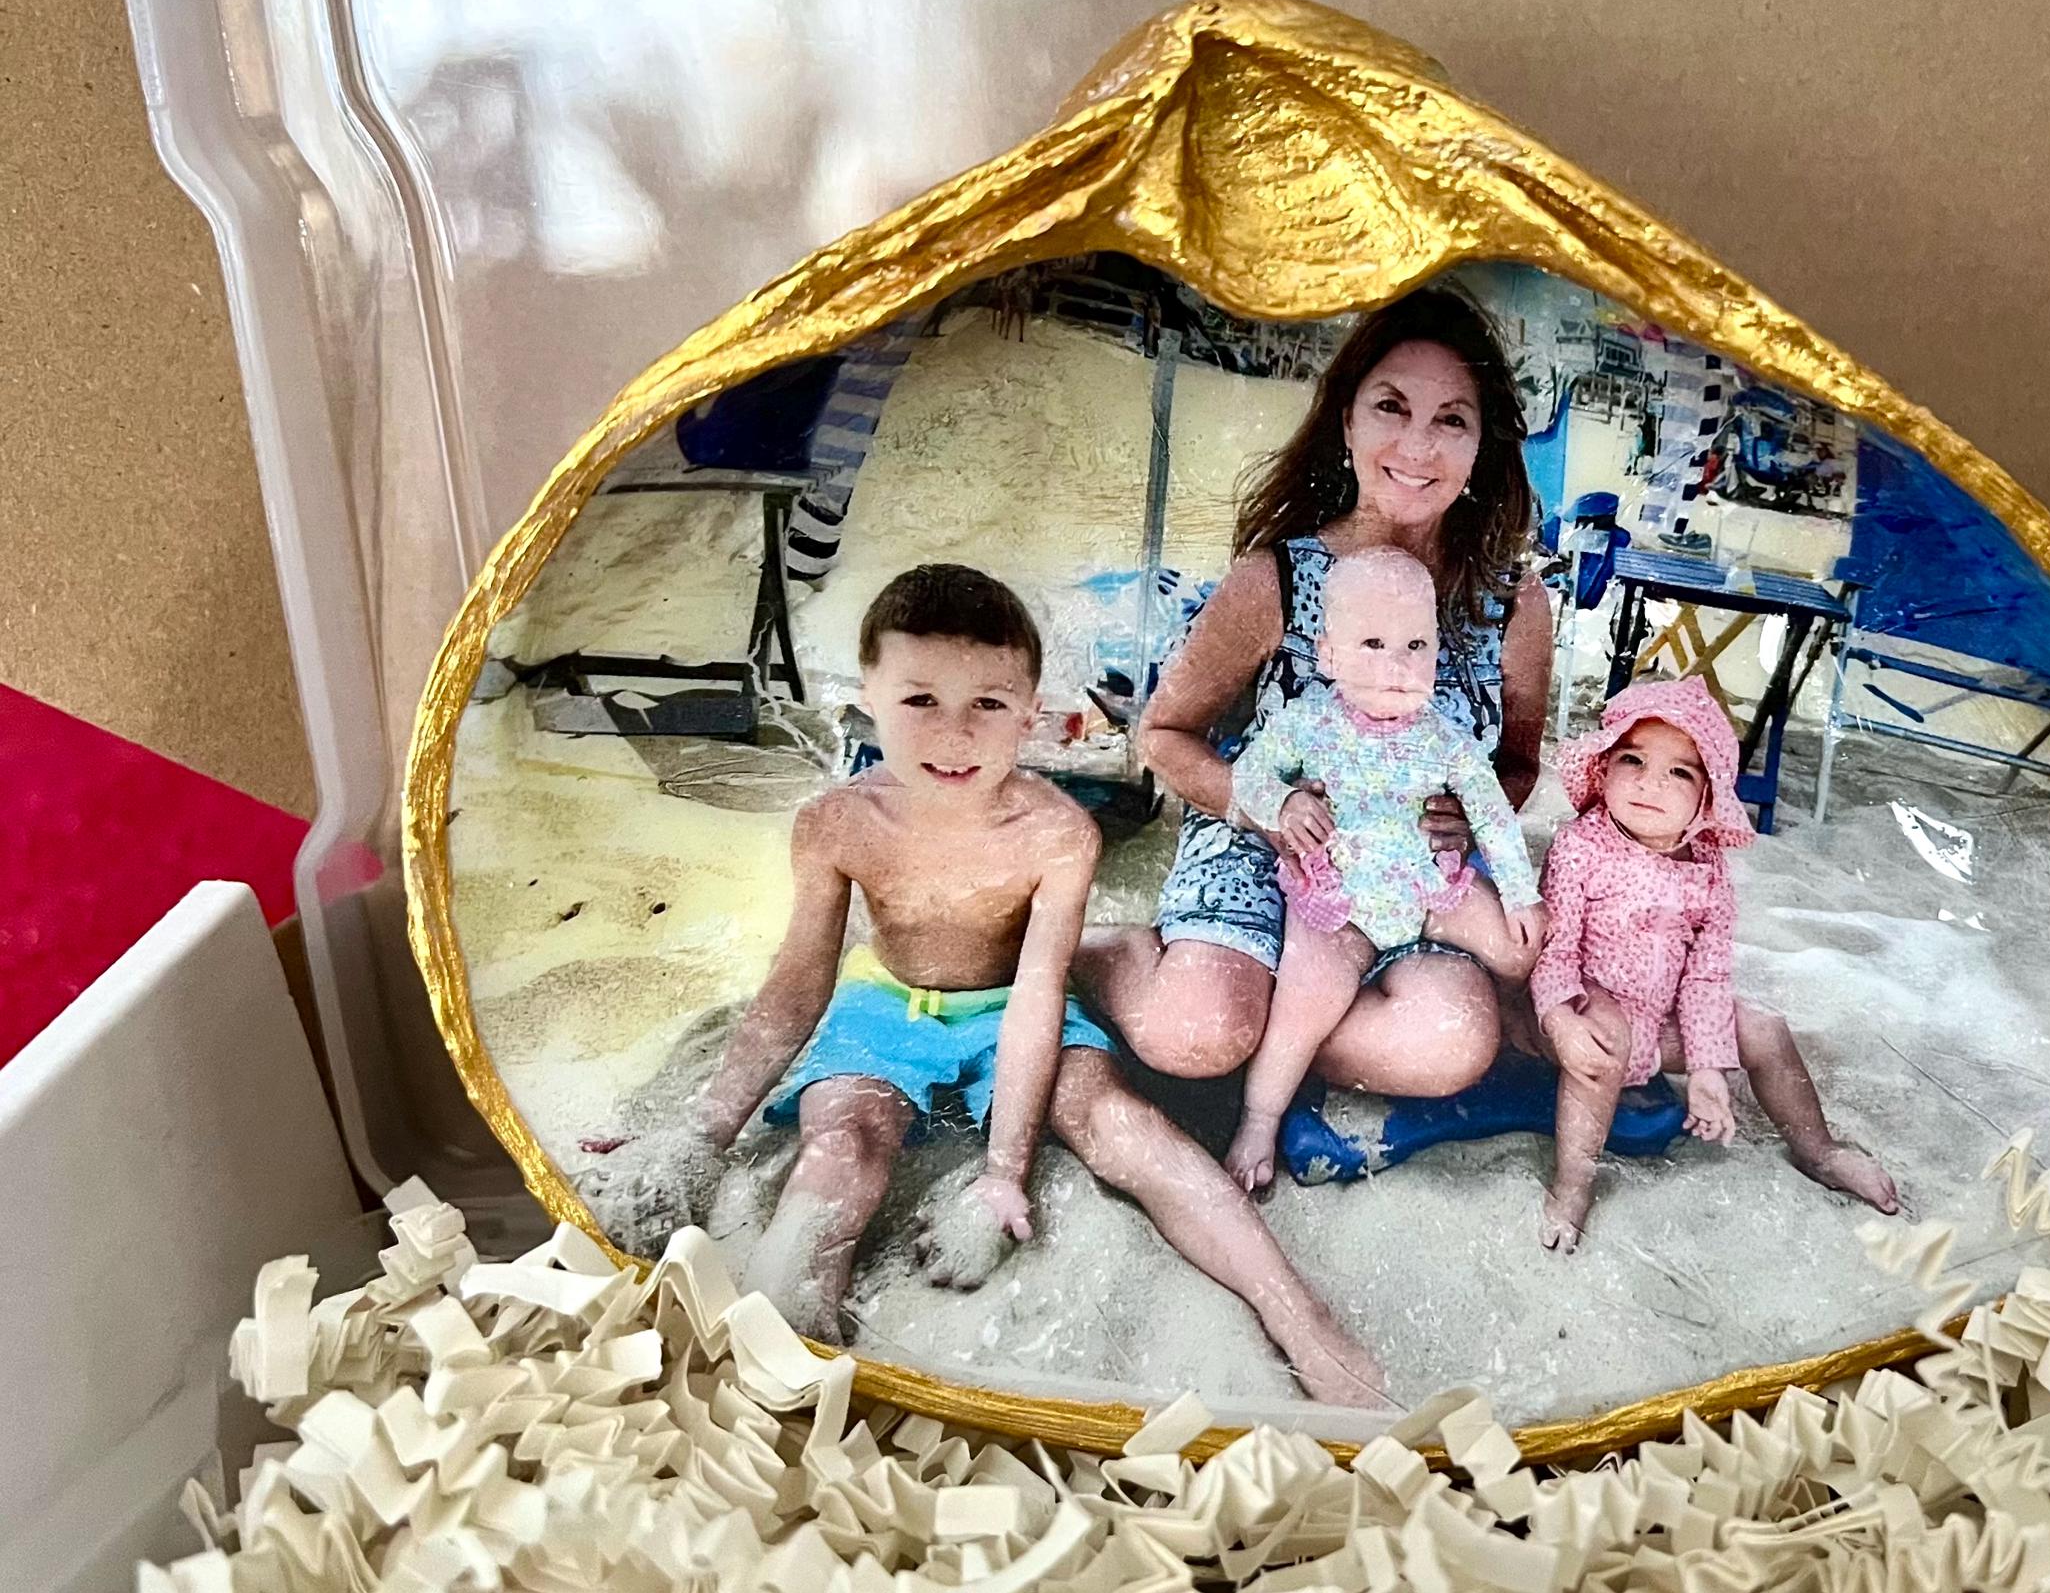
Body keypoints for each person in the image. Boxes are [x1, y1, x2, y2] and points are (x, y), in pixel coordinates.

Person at [575, 563, 1384, 1405]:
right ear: (868, 697)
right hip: (886, 1004)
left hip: (1013, 1004)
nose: (954, 735)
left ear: (1031, 714)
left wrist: (1004, 1173)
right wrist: (704, 1131)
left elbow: (1037, 991)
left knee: (1120, 1124)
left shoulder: (1058, 833)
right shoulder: (836, 822)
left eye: (988, 705)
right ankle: (786, 1349)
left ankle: (1302, 1319)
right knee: (844, 1145)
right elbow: (798, 982)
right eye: (921, 700)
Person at [1074, 284, 1553, 1112]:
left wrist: (1471, 819)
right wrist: (1267, 808)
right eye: (1392, 407)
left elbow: (1516, 762)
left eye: (1451, 420)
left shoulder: (1513, 602)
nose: (1418, 444)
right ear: (1347, 421)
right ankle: (1106, 954)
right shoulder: (1278, 579)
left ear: (1483, 447)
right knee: (1196, 1033)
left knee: (1449, 1042)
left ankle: (1272, 1030)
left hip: (1407, 873)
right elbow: (1165, 735)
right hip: (1261, 844)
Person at [1525, 677, 1902, 1251]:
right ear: (1603, 769)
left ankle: (1818, 1149)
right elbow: (1555, 950)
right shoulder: (1580, 846)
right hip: (1582, 1011)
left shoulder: (1708, 868)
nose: (1650, 782)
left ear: (1706, 799)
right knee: (1607, 1035)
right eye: (1632, 759)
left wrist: (1706, 1067)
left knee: (1765, 1029)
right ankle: (1573, 1185)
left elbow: (1705, 977)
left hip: (1662, 1021)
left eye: (1680, 772)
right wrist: (1560, 1021)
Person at [1223, 547, 1544, 1192]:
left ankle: (1523, 1035)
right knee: (1304, 1003)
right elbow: (1249, 773)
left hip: (1426, 888)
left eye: (1415, 645)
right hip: (1338, 900)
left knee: (1520, 945)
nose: (1397, 666)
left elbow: (1493, 817)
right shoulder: (1308, 723)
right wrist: (1283, 803)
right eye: (1372, 644)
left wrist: (1519, 893)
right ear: (1329, 655)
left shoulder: (1444, 737)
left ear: (1437, 652)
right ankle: (1260, 1118)